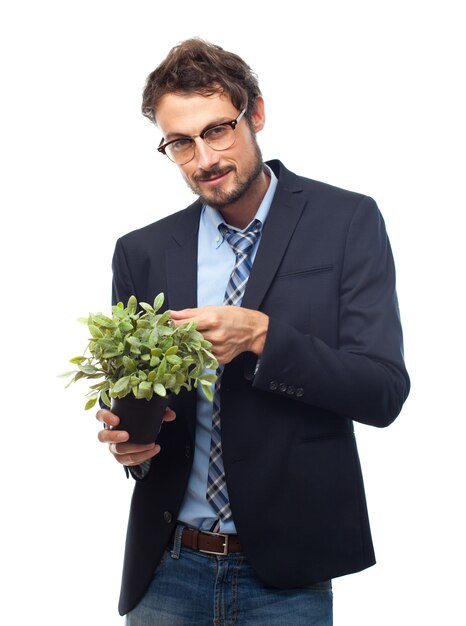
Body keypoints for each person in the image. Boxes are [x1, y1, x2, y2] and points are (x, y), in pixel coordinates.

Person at [96, 38, 410, 625]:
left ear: (256, 114)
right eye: (180, 143)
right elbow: (136, 404)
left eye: (218, 130)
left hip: (287, 578)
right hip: (167, 569)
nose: (204, 158)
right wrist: (129, 446)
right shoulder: (140, 252)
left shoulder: (347, 222)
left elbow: (383, 391)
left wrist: (265, 337)